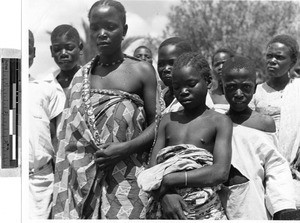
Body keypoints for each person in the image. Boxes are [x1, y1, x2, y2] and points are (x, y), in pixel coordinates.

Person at [52, 0, 158, 219]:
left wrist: (125, 148)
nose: (102, 33)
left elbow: (159, 123)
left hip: (129, 181)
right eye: (96, 28)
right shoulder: (80, 78)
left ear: (124, 31)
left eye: (110, 27)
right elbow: (69, 142)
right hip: (82, 184)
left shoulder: (142, 71)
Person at [137, 52, 232, 219]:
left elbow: (220, 172)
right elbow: (153, 170)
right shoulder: (167, 120)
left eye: (191, 84)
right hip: (165, 205)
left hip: (204, 208)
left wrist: (171, 180)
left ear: (208, 82)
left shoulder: (220, 121)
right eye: (177, 87)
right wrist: (165, 196)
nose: (183, 91)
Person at [220, 55, 296, 219]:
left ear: (255, 89)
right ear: (223, 87)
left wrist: (283, 207)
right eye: (232, 87)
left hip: (255, 201)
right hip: (222, 202)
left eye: (246, 87)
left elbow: (275, 166)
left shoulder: (264, 123)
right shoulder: (217, 123)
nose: (239, 93)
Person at [250, 34, 300, 208]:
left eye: (279, 57)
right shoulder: (256, 92)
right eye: (269, 56)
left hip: (295, 167)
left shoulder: (297, 89)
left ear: (292, 62)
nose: (272, 60)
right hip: (263, 165)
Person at [28, 30, 65, 219]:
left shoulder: (46, 89)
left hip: (40, 182)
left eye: (26, 48)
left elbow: (58, 139)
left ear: (33, 52)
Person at [157, 37, 193, 111]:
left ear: (189, 62)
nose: (166, 69)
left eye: (172, 63)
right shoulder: (159, 98)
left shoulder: (194, 99)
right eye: (161, 64)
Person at [49, 24, 83, 95]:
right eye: (57, 49)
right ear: (52, 51)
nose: (63, 54)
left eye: (69, 48)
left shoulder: (90, 79)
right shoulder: (46, 85)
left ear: (80, 48)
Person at [209, 48, 234, 113]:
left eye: (224, 63)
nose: (220, 67)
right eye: (217, 64)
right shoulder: (208, 96)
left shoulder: (244, 94)